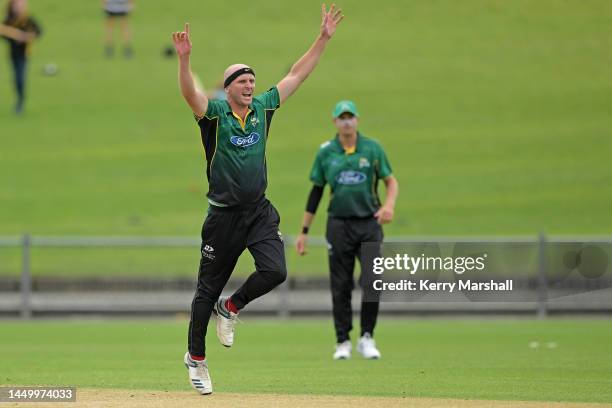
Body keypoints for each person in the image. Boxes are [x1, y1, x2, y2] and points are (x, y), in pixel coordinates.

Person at [172, 3, 344, 396]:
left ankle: (231, 308)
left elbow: (296, 75)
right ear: (228, 86)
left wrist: (322, 38)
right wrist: (184, 61)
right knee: (205, 291)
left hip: (259, 212)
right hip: (223, 217)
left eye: (252, 81)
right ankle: (195, 359)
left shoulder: (264, 108)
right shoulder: (214, 114)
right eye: (242, 81)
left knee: (276, 271)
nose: (250, 86)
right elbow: (189, 95)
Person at [295, 100, 399, 360]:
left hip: (369, 224)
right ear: (334, 122)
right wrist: (304, 231)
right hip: (339, 225)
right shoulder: (326, 152)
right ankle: (342, 341)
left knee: (372, 282)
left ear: (357, 120)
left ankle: (367, 337)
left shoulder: (372, 149)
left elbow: (391, 181)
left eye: (350, 116)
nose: (346, 121)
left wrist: (388, 206)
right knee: (340, 285)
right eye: (341, 117)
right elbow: (316, 192)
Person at [0, 0, 41, 114]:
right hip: (13, 55)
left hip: (24, 55)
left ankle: (20, 102)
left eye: (21, 5)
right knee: (16, 79)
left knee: (20, 79)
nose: (19, 8)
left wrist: (27, 37)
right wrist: (14, 37)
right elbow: (3, 34)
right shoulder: (9, 21)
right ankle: (19, 100)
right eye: (17, 5)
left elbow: (39, 31)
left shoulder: (27, 20)